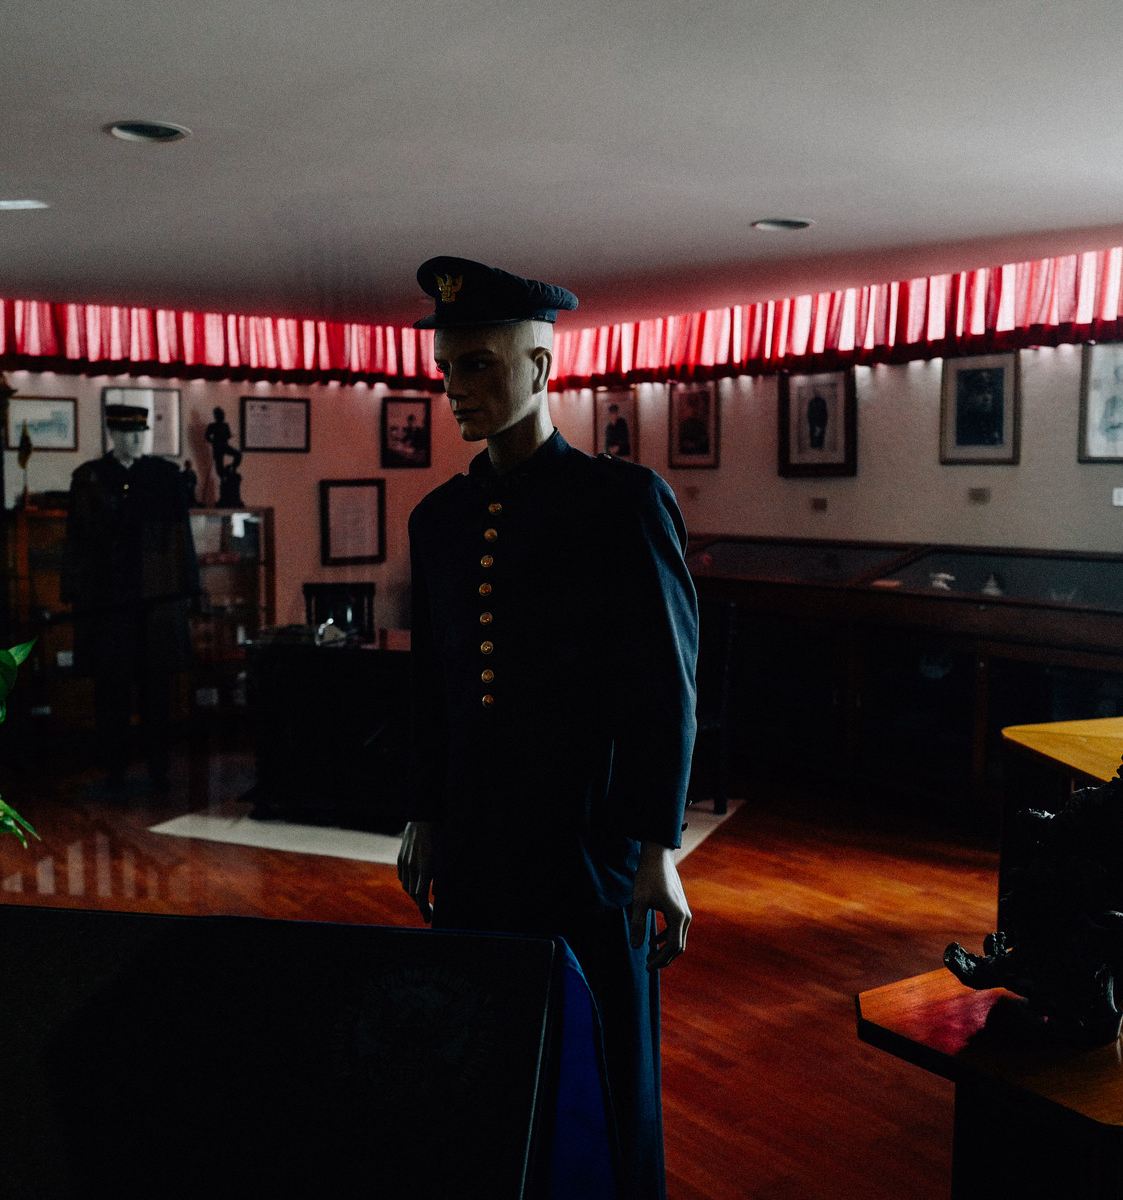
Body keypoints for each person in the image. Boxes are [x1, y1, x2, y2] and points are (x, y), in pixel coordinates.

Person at [397, 255, 697, 1199]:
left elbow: (665, 688)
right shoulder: (439, 520)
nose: (457, 387)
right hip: (477, 845)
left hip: (585, 845)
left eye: (479, 364)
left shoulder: (621, 503)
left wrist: (657, 850)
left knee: (604, 1062)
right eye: (448, 368)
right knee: (478, 1050)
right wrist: (426, 812)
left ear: (539, 365)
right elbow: (434, 683)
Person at [67, 405, 199, 791]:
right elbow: (77, 542)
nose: (135, 440)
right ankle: (115, 769)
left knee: (157, 689)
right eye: (127, 433)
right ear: (112, 434)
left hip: (156, 601)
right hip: (109, 602)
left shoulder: (165, 476)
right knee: (111, 689)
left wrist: (187, 589)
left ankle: (158, 768)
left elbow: (181, 536)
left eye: (141, 432)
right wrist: (76, 593)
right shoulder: (89, 477)